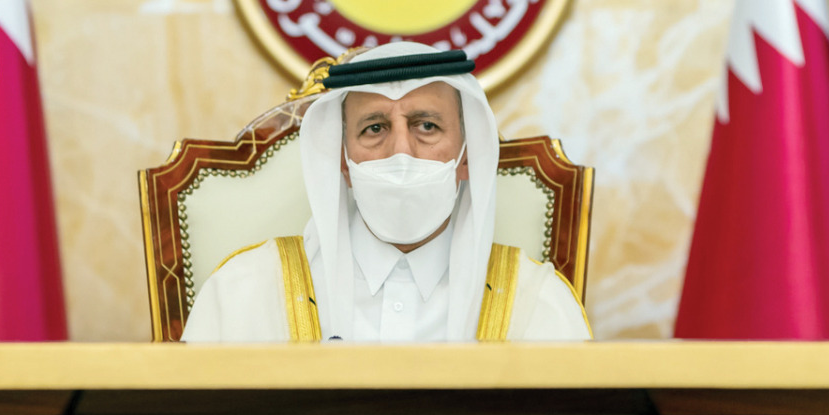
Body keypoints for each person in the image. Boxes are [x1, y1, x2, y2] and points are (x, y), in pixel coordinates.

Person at [180, 42, 593, 343]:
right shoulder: (245, 293)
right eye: (374, 128)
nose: (401, 151)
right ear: (342, 162)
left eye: (426, 126)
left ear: (468, 157)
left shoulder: (534, 303)